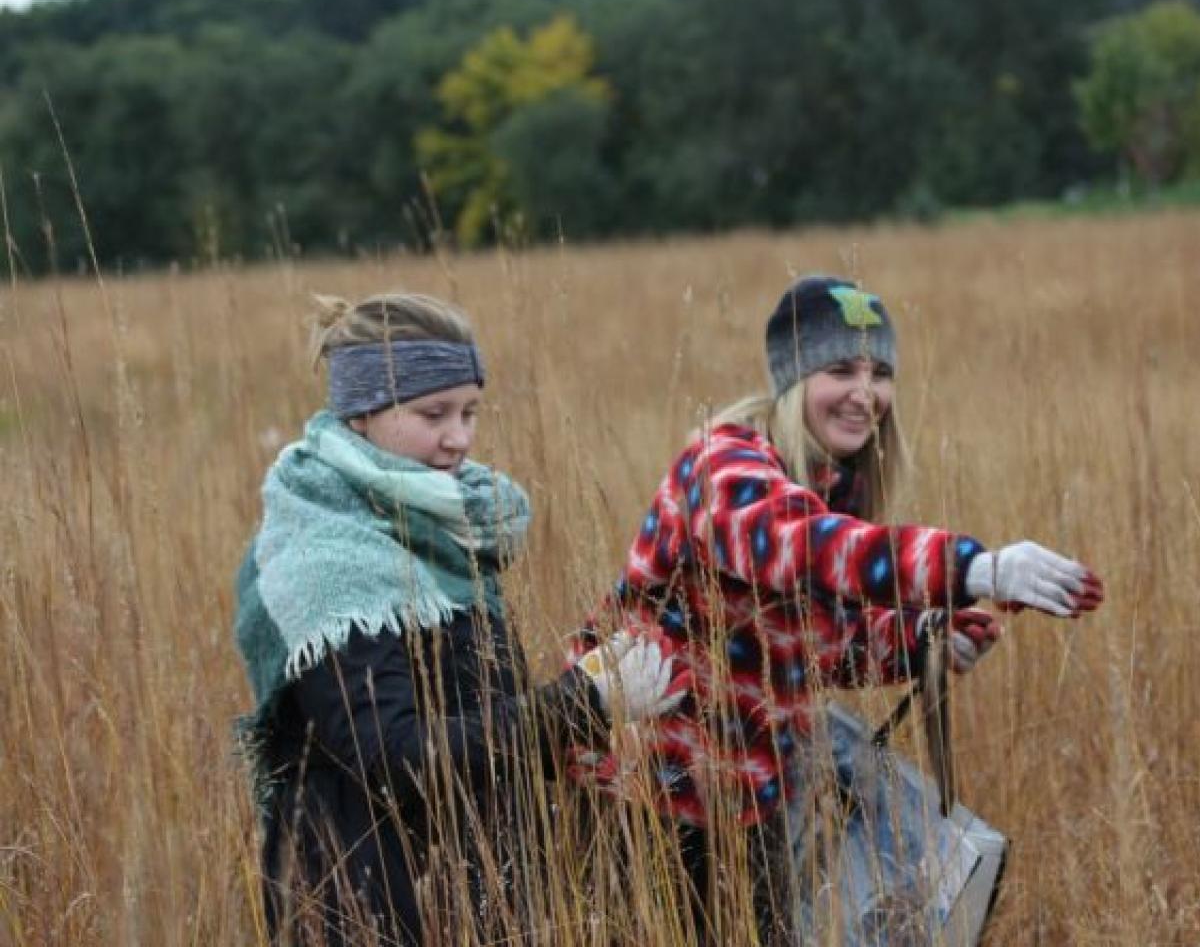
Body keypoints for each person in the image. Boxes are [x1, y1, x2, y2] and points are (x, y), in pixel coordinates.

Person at [569, 275, 1105, 945]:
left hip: (751, 806)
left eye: (880, 372)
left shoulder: (824, 485)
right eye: (841, 369)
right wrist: (977, 568)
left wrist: (922, 642)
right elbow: (813, 549)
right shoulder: (725, 468)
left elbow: (819, 647)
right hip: (645, 802)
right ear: (792, 379)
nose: (865, 393)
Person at [232, 292, 678, 947]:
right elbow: (392, 755)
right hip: (361, 901)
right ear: (361, 412)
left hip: (468, 892)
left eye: (470, 412)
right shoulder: (324, 559)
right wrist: (578, 699)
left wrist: (592, 710)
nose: (459, 438)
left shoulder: (443, 531)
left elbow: (476, 712)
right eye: (433, 413)